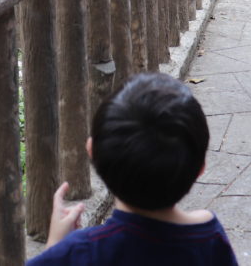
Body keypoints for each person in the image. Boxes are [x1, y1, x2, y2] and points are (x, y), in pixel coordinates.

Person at [27, 72, 238, 265]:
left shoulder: (78, 252)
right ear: (200, 170)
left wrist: (55, 246)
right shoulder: (209, 238)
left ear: (91, 151)